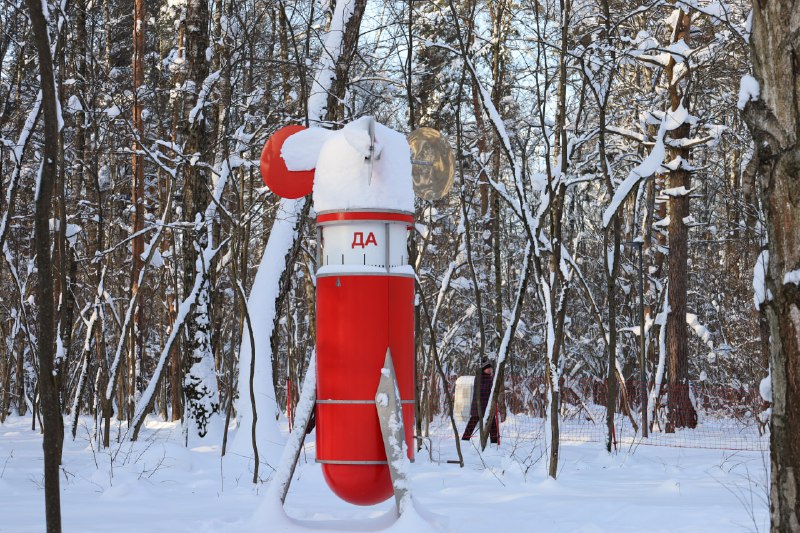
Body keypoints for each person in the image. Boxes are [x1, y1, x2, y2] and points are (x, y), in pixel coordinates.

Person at [461, 360, 499, 444]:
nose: (489, 370)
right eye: (487, 368)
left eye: (490, 368)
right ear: (483, 369)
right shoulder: (479, 377)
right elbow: (483, 389)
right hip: (478, 404)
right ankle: (465, 439)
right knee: (473, 422)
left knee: (492, 423)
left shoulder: (490, 378)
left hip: (488, 405)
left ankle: (494, 442)